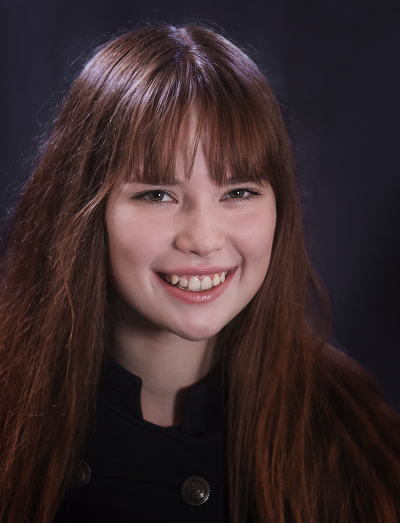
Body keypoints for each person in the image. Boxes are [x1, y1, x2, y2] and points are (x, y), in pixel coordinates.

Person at [0, 24, 399, 523]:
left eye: (239, 192)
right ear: (82, 209)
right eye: (157, 194)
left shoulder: (359, 440)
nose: (204, 239)